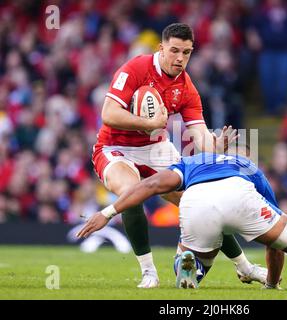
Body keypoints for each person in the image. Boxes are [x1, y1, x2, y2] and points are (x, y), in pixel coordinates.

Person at [91, 22, 266, 288]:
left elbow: (201, 138)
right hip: (116, 147)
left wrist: (217, 146)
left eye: (186, 52)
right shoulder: (136, 68)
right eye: (174, 51)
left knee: (201, 201)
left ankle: (244, 267)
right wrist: (148, 124)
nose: (180, 58)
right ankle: (148, 272)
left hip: (156, 147)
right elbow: (108, 114)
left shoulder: (186, 88)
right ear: (161, 48)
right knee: (131, 191)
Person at [78, 150, 287, 292]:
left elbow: (147, 186)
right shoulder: (249, 166)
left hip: (197, 199)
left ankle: (186, 263)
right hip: (240, 192)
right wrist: (272, 284)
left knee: (193, 256)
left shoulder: (188, 164)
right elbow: (275, 248)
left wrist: (107, 213)